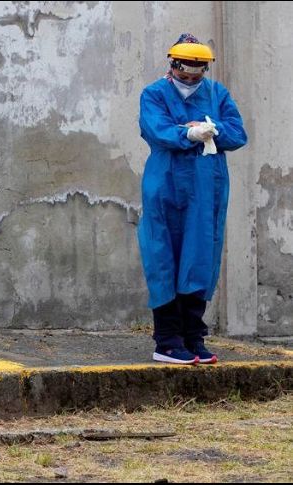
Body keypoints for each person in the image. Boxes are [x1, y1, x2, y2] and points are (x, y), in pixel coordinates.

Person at [138, 33, 247, 365]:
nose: (190, 79)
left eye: (197, 73)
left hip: (205, 190)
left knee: (199, 257)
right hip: (166, 188)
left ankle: (193, 337)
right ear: (172, 65)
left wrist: (212, 128)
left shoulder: (217, 94)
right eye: (184, 73)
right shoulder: (155, 93)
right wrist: (186, 132)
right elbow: (155, 128)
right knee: (164, 256)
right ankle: (167, 341)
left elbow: (238, 133)